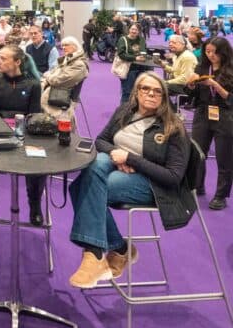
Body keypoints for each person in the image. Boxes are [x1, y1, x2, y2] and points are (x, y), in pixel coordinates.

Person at [67, 72, 192, 288]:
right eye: (145, 88)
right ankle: (116, 249)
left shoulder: (174, 127)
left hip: (153, 183)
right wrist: (118, 155)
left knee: (84, 187)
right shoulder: (125, 111)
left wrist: (131, 158)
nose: (151, 93)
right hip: (119, 163)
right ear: (137, 91)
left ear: (164, 95)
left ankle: (96, 253)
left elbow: (173, 177)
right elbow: (101, 141)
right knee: (93, 168)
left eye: (157, 91)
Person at [0, 44, 46, 225]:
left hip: (27, 133)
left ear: (17, 62)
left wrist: (15, 120)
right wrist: (13, 118)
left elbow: (34, 115)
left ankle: (35, 206)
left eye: (3, 58)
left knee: (38, 163)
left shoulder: (33, 84)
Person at [187, 37, 233, 210]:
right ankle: (197, 186)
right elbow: (191, 94)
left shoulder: (230, 69)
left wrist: (215, 85)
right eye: (207, 51)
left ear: (224, 52)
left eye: (214, 52)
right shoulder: (201, 67)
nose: (210, 55)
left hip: (226, 114)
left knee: (224, 158)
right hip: (203, 112)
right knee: (198, 153)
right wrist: (191, 86)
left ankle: (221, 195)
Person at [40, 36, 88, 120]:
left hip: (61, 104)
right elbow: (51, 73)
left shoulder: (79, 65)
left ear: (75, 46)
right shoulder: (66, 59)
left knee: (63, 128)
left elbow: (56, 80)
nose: (63, 47)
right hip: (53, 100)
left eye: (66, 45)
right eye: (62, 45)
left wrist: (47, 77)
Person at [115, 22, 148, 104]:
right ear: (129, 29)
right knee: (127, 92)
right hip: (128, 69)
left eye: (136, 30)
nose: (134, 31)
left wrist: (143, 55)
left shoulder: (141, 39)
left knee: (139, 92)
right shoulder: (123, 39)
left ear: (139, 31)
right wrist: (135, 57)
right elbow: (121, 54)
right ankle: (123, 113)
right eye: (132, 29)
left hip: (141, 68)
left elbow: (144, 49)